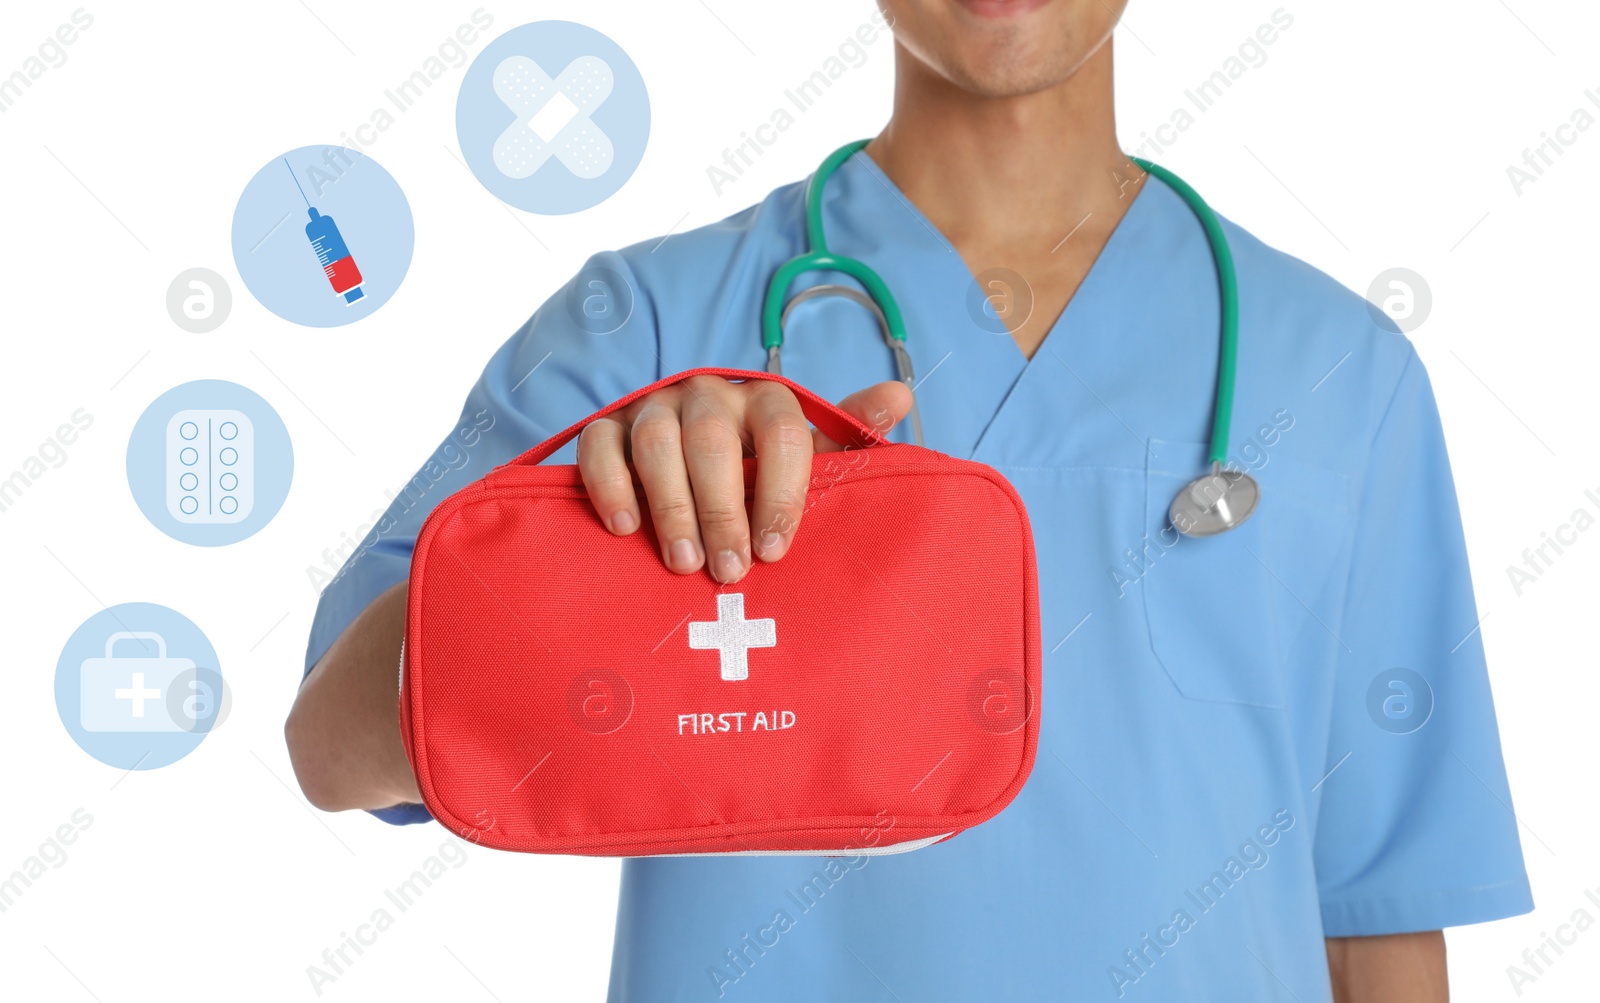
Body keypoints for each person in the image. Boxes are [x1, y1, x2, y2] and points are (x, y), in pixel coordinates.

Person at [285, 1, 1533, 999]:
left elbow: (1376, 909)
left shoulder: (1337, 370)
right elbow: (336, 750)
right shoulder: (649, 329)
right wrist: (601, 521)